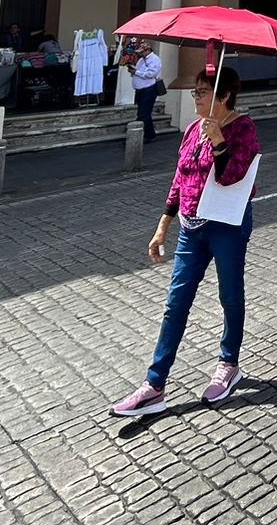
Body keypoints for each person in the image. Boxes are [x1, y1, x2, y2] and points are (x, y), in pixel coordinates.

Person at [111, 65, 260, 417]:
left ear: (224, 97)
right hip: (190, 227)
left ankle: (229, 363)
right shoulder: (193, 129)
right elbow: (181, 177)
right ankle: (155, 383)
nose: (195, 98)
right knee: (175, 302)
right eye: (195, 92)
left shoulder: (243, 129)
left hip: (227, 225)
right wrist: (163, 224)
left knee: (230, 295)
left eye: (202, 92)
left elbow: (233, 176)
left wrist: (219, 141)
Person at [126, 41, 162, 143]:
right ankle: (150, 134)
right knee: (143, 112)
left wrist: (136, 72)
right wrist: (133, 71)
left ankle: (141, 136)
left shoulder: (155, 59)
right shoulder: (141, 60)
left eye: (142, 52)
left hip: (149, 89)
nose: (140, 54)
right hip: (140, 89)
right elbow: (139, 71)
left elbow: (150, 74)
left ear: (147, 50)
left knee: (143, 113)